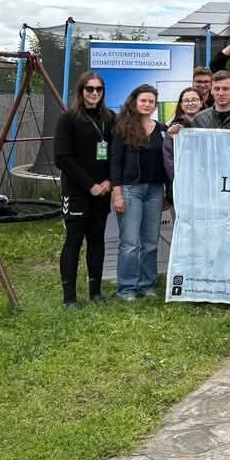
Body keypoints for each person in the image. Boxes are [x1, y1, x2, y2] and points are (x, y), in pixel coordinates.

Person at [54, 71, 114, 309]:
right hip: (78, 192)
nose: (94, 94)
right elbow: (62, 158)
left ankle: (96, 292)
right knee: (74, 242)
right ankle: (69, 297)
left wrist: (109, 181)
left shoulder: (110, 119)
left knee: (97, 240)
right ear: (81, 91)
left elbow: (115, 154)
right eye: (90, 89)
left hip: (103, 191)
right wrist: (90, 186)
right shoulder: (68, 119)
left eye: (99, 89)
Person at [110, 84, 169, 300]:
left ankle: (147, 284)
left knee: (151, 242)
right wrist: (117, 194)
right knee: (130, 243)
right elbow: (115, 164)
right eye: (143, 100)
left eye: (151, 101)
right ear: (135, 101)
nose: (147, 104)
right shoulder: (122, 128)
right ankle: (126, 288)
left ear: (155, 105)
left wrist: (166, 193)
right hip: (129, 190)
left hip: (155, 191)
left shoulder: (161, 129)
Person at [163, 86, 203, 181]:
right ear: (181, 105)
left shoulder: (210, 125)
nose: (190, 103)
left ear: (201, 103)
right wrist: (178, 179)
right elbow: (168, 158)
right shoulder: (173, 128)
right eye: (186, 100)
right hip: (182, 180)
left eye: (194, 100)